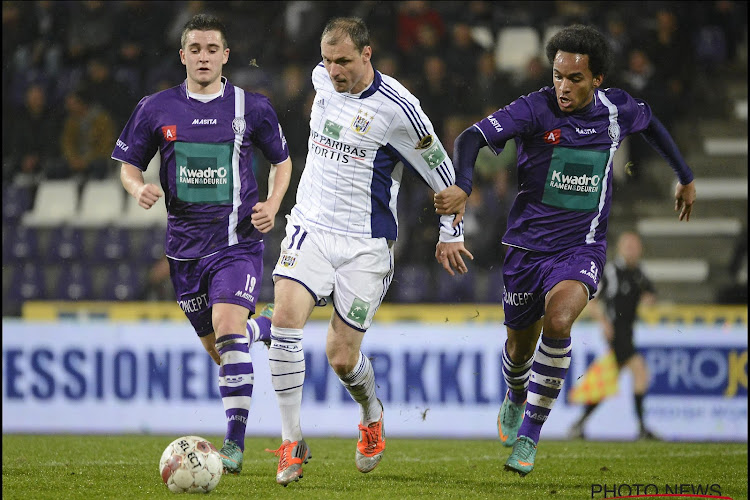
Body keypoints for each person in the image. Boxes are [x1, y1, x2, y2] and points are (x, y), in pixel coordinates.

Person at [434, 24, 696, 476]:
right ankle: (515, 394)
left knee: (559, 321)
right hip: (525, 251)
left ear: (597, 80)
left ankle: (530, 438)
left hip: (581, 249)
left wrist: (685, 176)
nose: (563, 86)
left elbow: (651, 124)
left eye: (575, 78)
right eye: (558, 75)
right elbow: (469, 138)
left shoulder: (617, 109)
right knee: (518, 351)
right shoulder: (535, 108)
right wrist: (463, 184)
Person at [262, 16, 472, 486]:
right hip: (311, 228)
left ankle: (371, 413)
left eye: (344, 61)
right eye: (328, 61)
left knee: (340, 355)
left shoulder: (400, 110)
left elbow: (443, 175)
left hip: (365, 245)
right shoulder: (321, 79)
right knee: (285, 319)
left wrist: (450, 230)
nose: (334, 71)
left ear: (367, 54)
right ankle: (290, 440)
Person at [111, 13, 293, 475]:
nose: (204, 57)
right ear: (183, 56)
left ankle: (233, 445)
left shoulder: (251, 107)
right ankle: (261, 328)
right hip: (183, 252)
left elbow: (283, 161)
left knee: (228, 334)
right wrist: (138, 189)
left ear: (226, 55)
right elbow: (129, 166)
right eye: (195, 49)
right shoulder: (156, 107)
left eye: (213, 49)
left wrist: (272, 202)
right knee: (221, 349)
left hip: (237, 244)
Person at [568, 231, 658, 440]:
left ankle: (579, 424)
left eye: (635, 246)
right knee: (639, 370)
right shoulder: (611, 272)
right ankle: (643, 428)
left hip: (628, 331)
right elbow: (592, 300)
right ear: (620, 248)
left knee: (608, 380)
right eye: (628, 246)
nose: (632, 250)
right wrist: (604, 323)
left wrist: (648, 299)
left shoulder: (638, 274)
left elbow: (650, 294)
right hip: (616, 332)